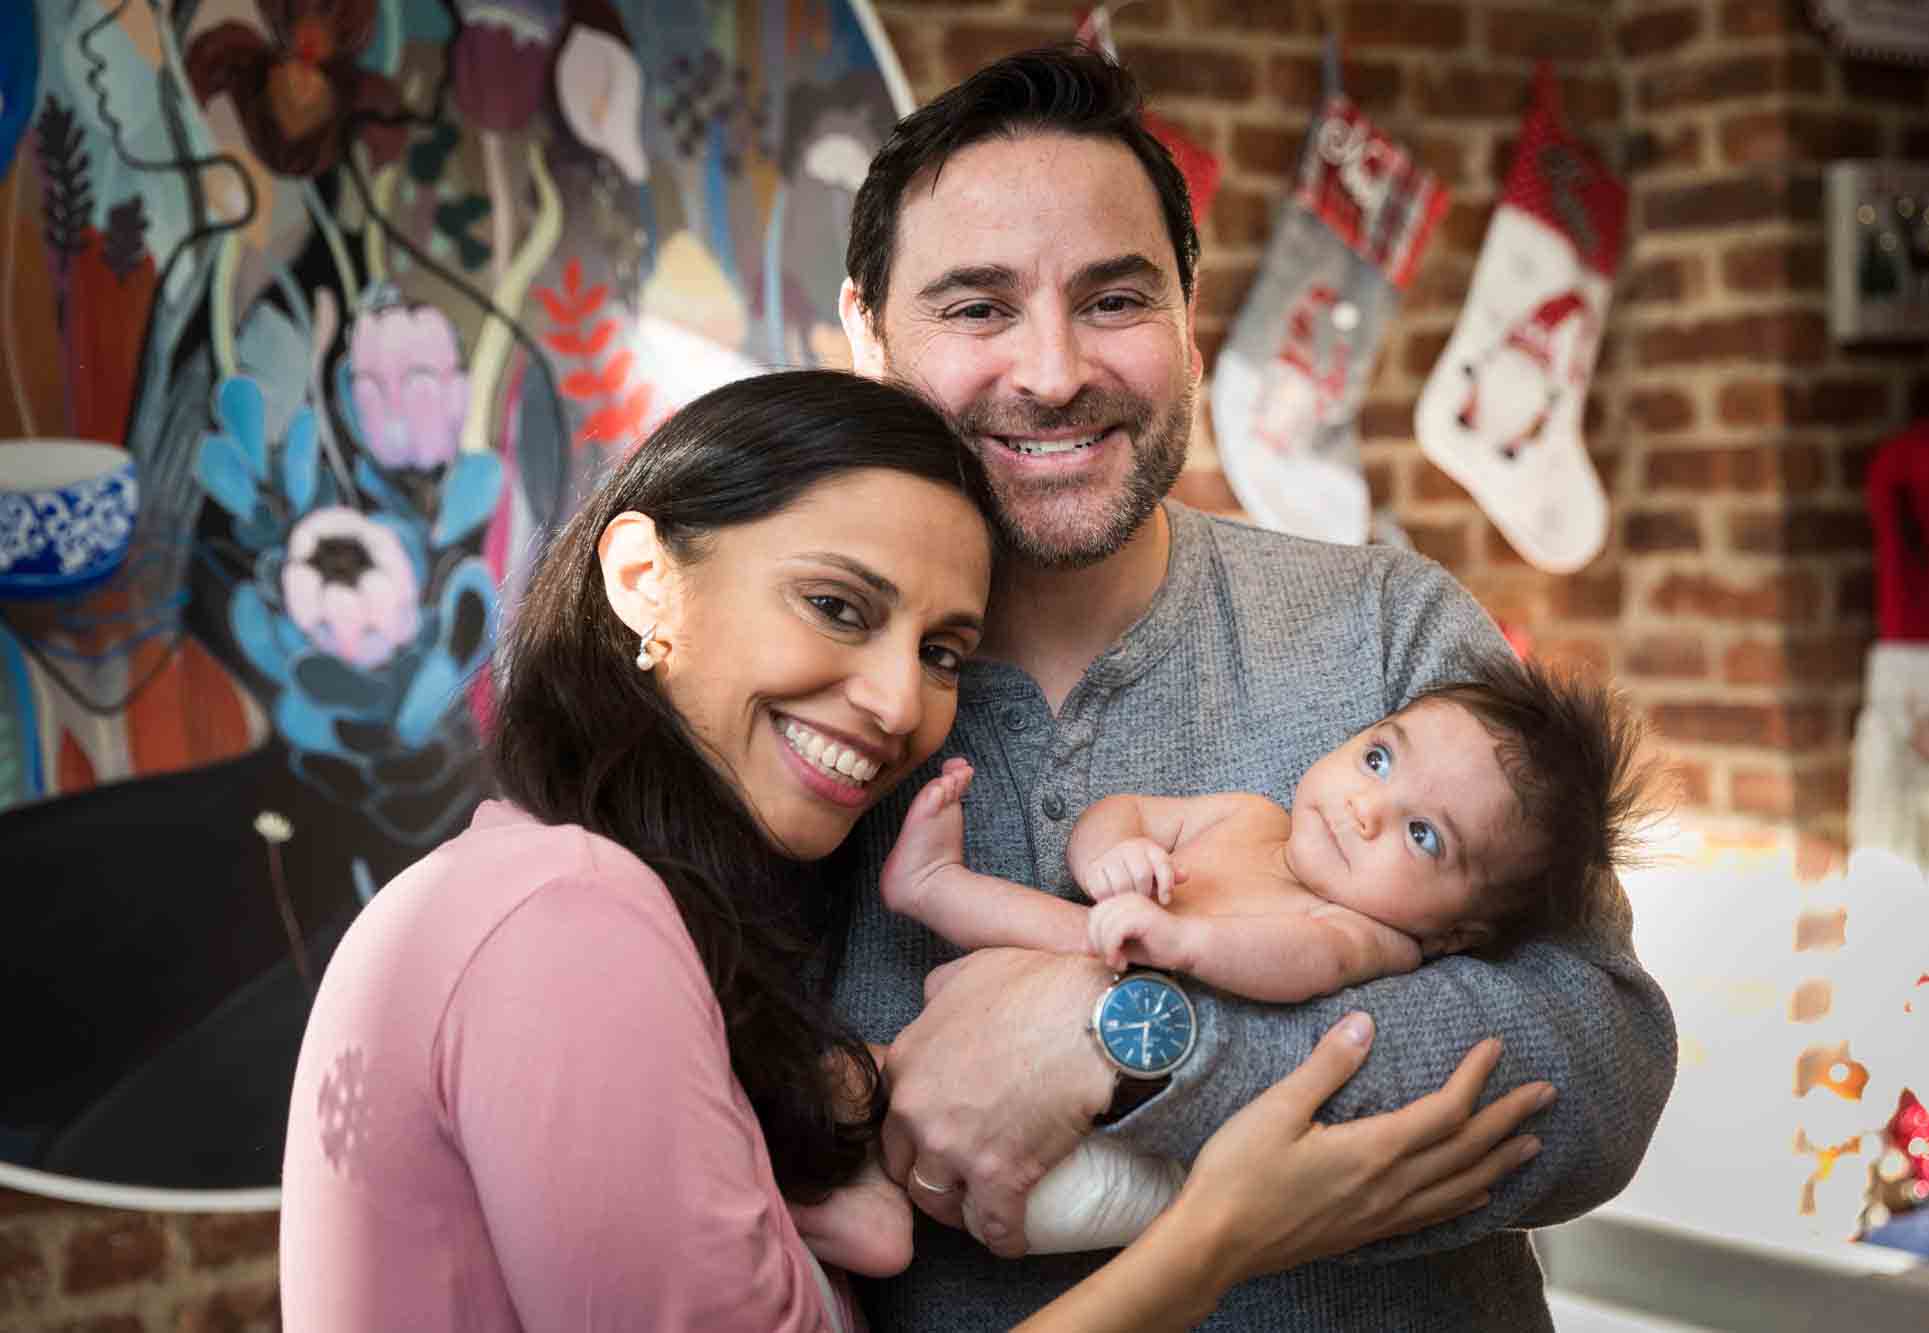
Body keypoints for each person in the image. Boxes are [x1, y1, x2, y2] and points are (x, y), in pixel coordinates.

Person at [276, 368, 1551, 1332]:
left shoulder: (603, 902)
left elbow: (1577, 1054)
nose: (898, 702)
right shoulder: (569, 921)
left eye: (941, 651)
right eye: (836, 607)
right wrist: (1219, 1232)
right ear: (641, 578)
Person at [826, 43, 1680, 1330]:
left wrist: (1118, 1037)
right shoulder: (803, 694)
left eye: (1115, 300)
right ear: (865, 332)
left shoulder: (1387, 629)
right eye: (976, 308)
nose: (1053, 371)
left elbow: (1592, 1065)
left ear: (1187, 309)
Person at [871, 652, 1657, 1252]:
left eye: (1423, 835)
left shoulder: (1366, 935)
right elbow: (1125, 809)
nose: (1364, 808)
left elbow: (1296, 960)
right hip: (1084, 971)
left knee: (1098, 1194)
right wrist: (1109, 855)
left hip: (1128, 1135)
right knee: (1053, 942)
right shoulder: (1250, 817)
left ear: (1454, 934)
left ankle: (927, 1203)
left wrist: (1190, 941)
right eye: (1378, 759)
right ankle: (933, 884)